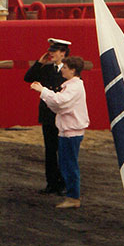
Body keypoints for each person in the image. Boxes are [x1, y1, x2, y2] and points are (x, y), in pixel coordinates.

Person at [31, 56, 89, 209]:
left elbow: (59, 103)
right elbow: (58, 105)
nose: (62, 69)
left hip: (71, 131)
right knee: (66, 163)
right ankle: (71, 195)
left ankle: (73, 197)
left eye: (65, 67)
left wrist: (43, 90)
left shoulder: (74, 87)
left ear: (72, 70)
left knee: (69, 164)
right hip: (67, 130)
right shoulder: (71, 85)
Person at [24, 38, 71, 195]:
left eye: (54, 51)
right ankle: (51, 183)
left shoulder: (70, 70)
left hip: (63, 116)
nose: (51, 54)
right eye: (50, 51)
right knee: (50, 151)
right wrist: (39, 63)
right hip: (48, 116)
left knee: (63, 151)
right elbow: (28, 78)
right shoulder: (46, 69)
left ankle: (64, 184)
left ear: (63, 52)